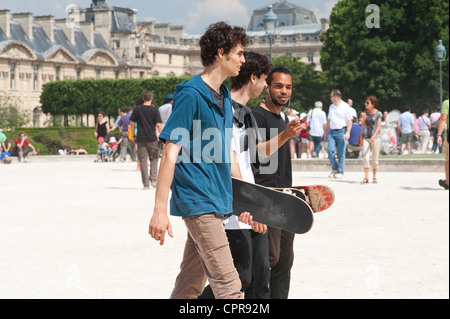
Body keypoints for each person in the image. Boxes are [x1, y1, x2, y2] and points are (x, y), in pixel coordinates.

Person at [148, 21, 248, 299]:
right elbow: (170, 152)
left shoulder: (225, 96)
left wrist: (246, 199)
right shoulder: (191, 95)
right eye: (239, 53)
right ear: (221, 53)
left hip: (217, 201)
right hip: (198, 201)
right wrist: (159, 210)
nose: (243, 59)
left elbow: (227, 152)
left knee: (189, 286)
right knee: (230, 290)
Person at [198, 50, 272, 300]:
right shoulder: (221, 108)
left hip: (247, 199)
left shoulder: (246, 114)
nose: (265, 87)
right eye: (264, 80)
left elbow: (252, 159)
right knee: (237, 276)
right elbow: (223, 158)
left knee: (259, 276)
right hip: (232, 203)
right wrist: (247, 200)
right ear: (254, 78)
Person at [252, 67, 302, 299]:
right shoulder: (256, 116)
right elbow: (256, 156)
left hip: (284, 198)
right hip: (266, 198)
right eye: (279, 86)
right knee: (265, 263)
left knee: (284, 263)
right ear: (267, 88)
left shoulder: (282, 118)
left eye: (288, 87)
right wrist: (285, 136)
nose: (284, 91)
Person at [130, 91, 163, 189]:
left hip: (140, 138)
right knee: (154, 158)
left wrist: (133, 135)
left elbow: (132, 123)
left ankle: (145, 184)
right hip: (152, 138)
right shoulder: (155, 110)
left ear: (143, 98)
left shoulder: (137, 109)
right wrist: (163, 135)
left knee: (143, 160)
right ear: (151, 98)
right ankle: (153, 179)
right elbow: (158, 125)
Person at [324, 89, 353, 179]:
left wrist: (348, 132)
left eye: (331, 96)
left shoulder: (345, 106)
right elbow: (328, 120)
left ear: (335, 97)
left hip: (342, 131)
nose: (330, 98)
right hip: (332, 132)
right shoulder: (331, 107)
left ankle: (340, 171)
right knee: (329, 150)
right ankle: (334, 168)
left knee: (341, 153)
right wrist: (326, 132)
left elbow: (349, 121)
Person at [361, 96, 382, 184]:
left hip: (375, 138)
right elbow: (362, 126)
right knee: (365, 157)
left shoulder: (378, 114)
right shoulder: (365, 113)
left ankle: (374, 176)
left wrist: (374, 135)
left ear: (373, 104)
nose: (365, 104)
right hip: (365, 137)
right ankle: (366, 177)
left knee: (375, 157)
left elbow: (378, 126)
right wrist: (363, 119)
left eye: (367, 103)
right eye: (365, 102)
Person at [437, 99, 449, 190]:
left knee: (448, 160)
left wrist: (439, 135)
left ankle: (448, 182)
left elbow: (443, 119)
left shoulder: (447, 103)